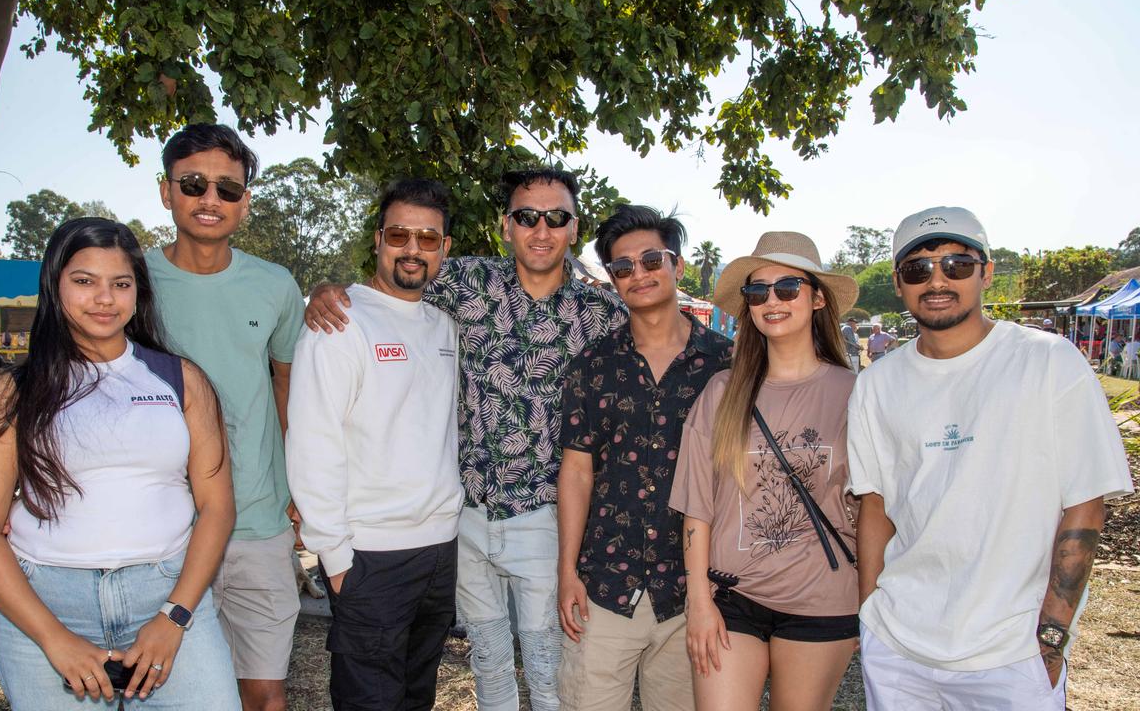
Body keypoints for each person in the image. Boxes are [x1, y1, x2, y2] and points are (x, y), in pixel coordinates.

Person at [305, 168, 628, 710]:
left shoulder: (601, 314)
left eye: (556, 218)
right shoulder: (468, 283)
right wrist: (326, 291)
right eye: (527, 217)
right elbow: (398, 275)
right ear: (506, 226)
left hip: (547, 520)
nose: (541, 229)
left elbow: (659, 337)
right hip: (468, 521)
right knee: (489, 663)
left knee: (549, 668)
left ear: (574, 229)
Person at [849, 206, 1134, 710]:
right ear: (898, 283)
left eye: (956, 264)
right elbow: (875, 506)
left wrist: (1050, 639)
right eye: (918, 269)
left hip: (1012, 655)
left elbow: (1086, 504)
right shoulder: (877, 384)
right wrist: (870, 613)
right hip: (898, 647)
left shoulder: (1048, 361)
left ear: (986, 271)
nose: (937, 280)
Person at [0, 217, 240, 709]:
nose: (104, 299)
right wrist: (54, 639)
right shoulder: (11, 393)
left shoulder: (181, 380)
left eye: (120, 284)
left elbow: (217, 507)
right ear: (54, 284)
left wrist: (174, 616)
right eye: (84, 281)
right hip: (44, 605)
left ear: (138, 292)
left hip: (169, 597)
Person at [146, 123, 305, 711]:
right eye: (194, 184)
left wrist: (298, 484)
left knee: (264, 692)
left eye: (228, 189)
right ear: (166, 192)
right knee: (177, 690)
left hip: (258, 519)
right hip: (163, 527)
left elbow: (287, 384)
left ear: (244, 202)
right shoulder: (128, 281)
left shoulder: (276, 286)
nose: (210, 200)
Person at [287, 179, 463, 710]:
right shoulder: (339, 323)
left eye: (428, 238)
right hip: (369, 556)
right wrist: (335, 557)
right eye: (399, 234)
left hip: (440, 550)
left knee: (416, 698)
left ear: (445, 248)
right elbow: (313, 440)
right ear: (379, 239)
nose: (412, 249)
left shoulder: (446, 326)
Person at [671, 231, 862, 711]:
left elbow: (874, 508)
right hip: (732, 597)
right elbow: (697, 508)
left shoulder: (855, 394)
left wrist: (873, 600)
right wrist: (699, 602)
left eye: (787, 288)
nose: (770, 301)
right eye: (757, 292)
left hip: (822, 600)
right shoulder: (722, 391)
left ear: (818, 297)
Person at [557, 206, 731, 710]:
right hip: (605, 587)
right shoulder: (592, 364)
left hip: (695, 594)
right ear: (612, 280)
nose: (639, 273)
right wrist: (567, 570)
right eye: (623, 267)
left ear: (677, 265)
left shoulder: (727, 364)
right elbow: (576, 470)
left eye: (651, 259)